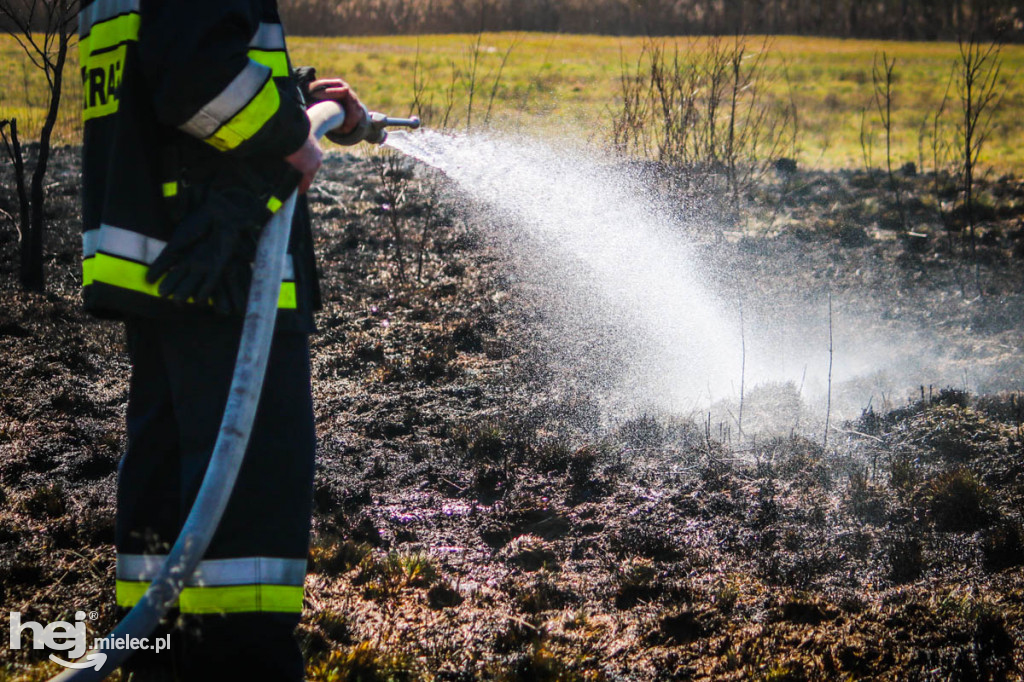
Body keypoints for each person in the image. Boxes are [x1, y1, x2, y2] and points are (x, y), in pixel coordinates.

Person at [78, 1, 364, 679]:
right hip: (225, 261)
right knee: (246, 498)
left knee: (169, 485)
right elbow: (194, 76)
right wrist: (288, 136)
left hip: (171, 254)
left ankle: (163, 658)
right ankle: (241, 662)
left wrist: (293, 101)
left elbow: (171, 57)